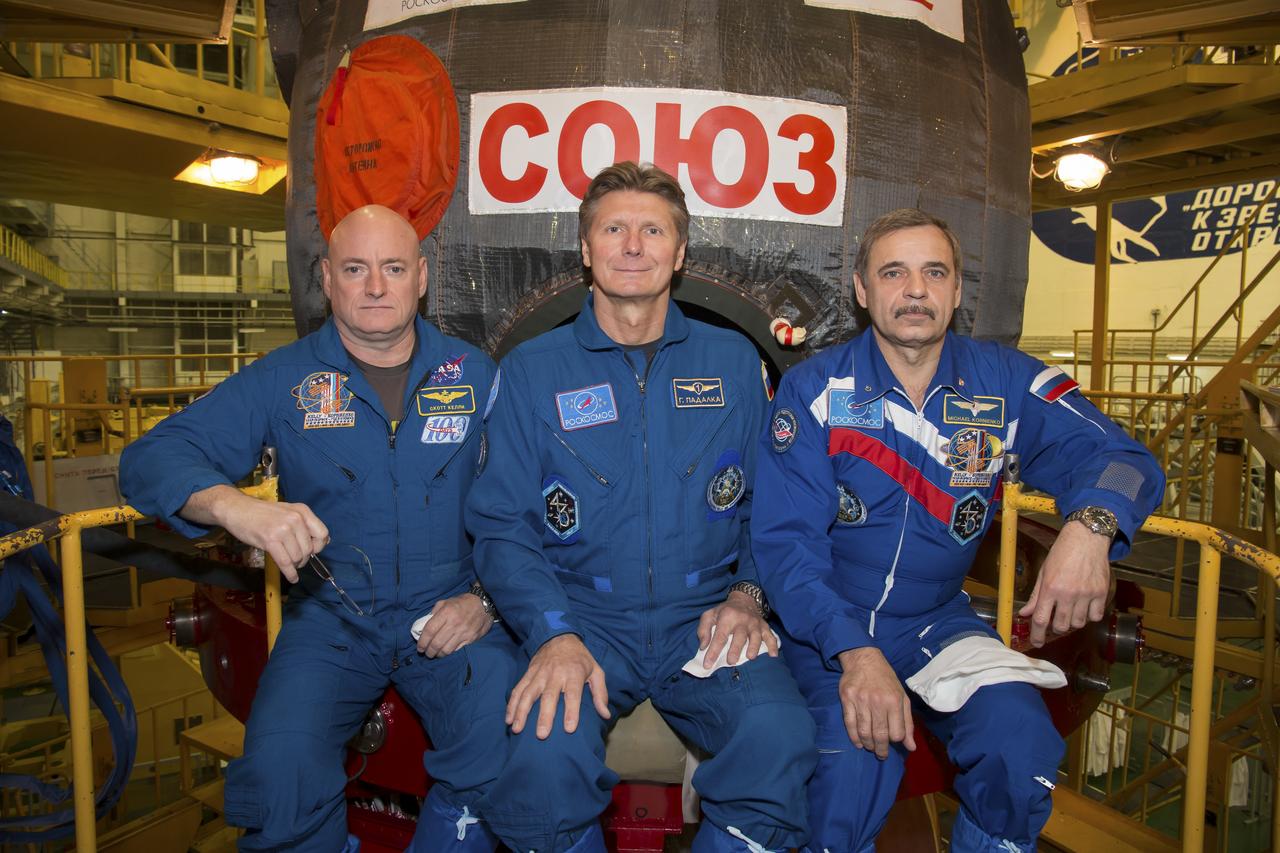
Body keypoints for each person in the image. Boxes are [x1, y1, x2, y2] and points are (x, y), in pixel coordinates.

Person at [752, 208, 1164, 853]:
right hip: (827, 626)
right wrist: (855, 652)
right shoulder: (813, 391)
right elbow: (786, 547)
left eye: (933, 272)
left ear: (957, 291)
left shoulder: (1008, 383)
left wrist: (1089, 528)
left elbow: (1125, 459)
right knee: (852, 766)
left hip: (936, 622)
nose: (915, 290)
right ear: (862, 290)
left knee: (1020, 745)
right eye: (894, 272)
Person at [120, 205, 517, 852]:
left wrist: (486, 599)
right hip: (332, 616)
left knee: (506, 747)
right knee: (279, 777)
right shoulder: (283, 380)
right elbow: (148, 459)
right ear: (326, 279)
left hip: (452, 609)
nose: (376, 286)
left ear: (422, 277)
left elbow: (525, 505)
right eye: (356, 269)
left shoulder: (479, 377)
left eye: (393, 268)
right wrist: (234, 506)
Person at [466, 161, 816, 853]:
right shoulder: (534, 370)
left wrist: (749, 594)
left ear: (680, 253)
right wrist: (552, 632)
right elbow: (503, 526)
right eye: (614, 228)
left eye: (653, 230)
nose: (633, 245)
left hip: (706, 617)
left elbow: (772, 504)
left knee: (779, 736)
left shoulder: (734, 361)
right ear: (586, 250)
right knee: (541, 763)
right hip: (584, 619)